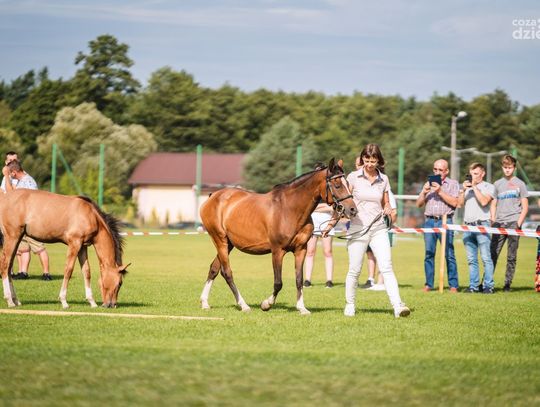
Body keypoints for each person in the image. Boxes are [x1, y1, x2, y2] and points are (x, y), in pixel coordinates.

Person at [332, 143, 409, 318]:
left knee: (387, 267)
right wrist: (333, 222)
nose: (369, 164)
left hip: (378, 229)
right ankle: (350, 304)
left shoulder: (384, 179)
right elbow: (344, 200)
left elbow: (385, 201)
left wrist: (388, 207)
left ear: (378, 161)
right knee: (355, 270)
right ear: (362, 159)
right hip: (357, 229)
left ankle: (398, 306)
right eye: (367, 160)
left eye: (373, 161)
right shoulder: (353, 177)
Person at [2, 160, 52, 281]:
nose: (9, 176)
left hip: (32, 221)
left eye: (10, 173)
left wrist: (6, 176)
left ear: (14, 172)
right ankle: (23, 272)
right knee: (23, 249)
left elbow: (12, 195)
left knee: (39, 248)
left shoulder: (28, 181)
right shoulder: (22, 181)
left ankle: (46, 273)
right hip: (23, 221)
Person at [416, 159, 459, 292]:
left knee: (449, 254)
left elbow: (455, 202)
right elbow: (418, 204)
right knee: (429, 254)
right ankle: (429, 284)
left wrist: (440, 191)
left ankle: (453, 285)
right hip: (429, 222)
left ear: (447, 171)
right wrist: (424, 192)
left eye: (440, 170)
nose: (437, 172)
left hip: (445, 221)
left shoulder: (453, 184)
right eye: (435, 169)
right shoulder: (428, 183)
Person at [490, 154, 528, 292]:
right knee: (493, 254)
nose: (507, 170)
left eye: (510, 167)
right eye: (505, 167)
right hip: (499, 223)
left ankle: (507, 284)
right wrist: (493, 219)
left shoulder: (520, 184)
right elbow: (493, 204)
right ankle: (487, 283)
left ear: (514, 168)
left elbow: (525, 207)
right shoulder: (497, 184)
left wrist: (518, 223)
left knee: (511, 256)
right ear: (502, 167)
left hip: (513, 223)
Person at [458, 162, 495, 293]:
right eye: (471, 174)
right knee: (471, 259)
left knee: (486, 258)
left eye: (476, 174)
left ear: (483, 174)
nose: (473, 176)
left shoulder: (489, 186)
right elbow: (459, 204)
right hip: (468, 226)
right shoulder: (467, 188)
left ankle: (488, 286)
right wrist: (462, 190)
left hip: (482, 225)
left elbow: (484, 202)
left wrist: (474, 186)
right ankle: (473, 286)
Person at [303, 202, 335, 288]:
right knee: (310, 252)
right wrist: (325, 206)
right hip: (312, 222)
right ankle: (307, 280)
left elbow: (332, 208)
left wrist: (316, 208)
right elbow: (308, 206)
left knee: (328, 252)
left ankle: (329, 280)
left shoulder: (330, 194)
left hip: (327, 223)